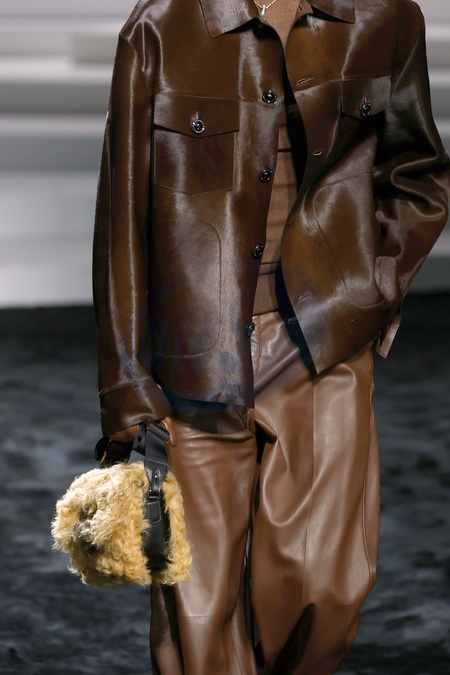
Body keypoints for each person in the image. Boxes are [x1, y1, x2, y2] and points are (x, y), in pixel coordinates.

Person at [92, 0, 450, 672]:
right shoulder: (162, 26)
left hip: (322, 340)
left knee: (326, 590)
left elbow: (416, 172)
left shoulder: (385, 16)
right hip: (192, 348)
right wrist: (126, 384)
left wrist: (372, 289)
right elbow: (123, 212)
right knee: (197, 614)